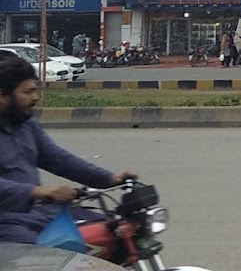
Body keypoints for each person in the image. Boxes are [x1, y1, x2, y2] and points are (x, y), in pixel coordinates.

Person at [0, 57, 138, 243]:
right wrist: (37, 191)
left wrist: (109, 179)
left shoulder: (27, 127)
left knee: (113, 229)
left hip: (36, 212)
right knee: (39, 255)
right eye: (28, 92)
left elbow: (59, 160)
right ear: (3, 95)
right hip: (6, 221)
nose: (35, 97)